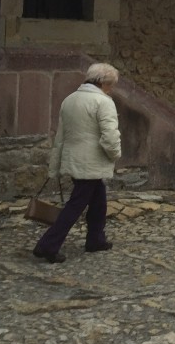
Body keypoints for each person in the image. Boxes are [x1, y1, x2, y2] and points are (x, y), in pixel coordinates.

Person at [33, 62, 122, 264]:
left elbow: (61, 136)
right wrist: (115, 154)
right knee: (76, 205)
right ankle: (47, 245)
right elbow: (110, 136)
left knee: (98, 201)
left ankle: (95, 239)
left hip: (75, 159)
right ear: (103, 82)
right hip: (92, 161)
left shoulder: (70, 99)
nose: (111, 88)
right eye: (111, 84)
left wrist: (55, 165)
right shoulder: (103, 102)